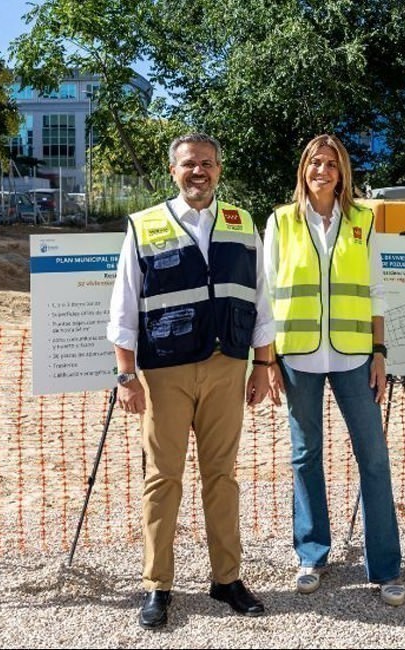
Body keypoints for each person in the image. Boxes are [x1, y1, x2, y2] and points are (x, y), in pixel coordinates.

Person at [107, 133, 275, 629]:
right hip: (165, 372)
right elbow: (123, 308)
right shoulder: (144, 226)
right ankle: (157, 585)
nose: (198, 172)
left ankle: (227, 579)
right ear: (172, 172)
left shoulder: (242, 224)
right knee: (163, 478)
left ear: (218, 169)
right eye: (188, 165)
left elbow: (261, 302)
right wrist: (126, 375)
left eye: (206, 163)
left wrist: (263, 367)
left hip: (228, 367)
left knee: (221, 477)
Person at [264, 134, 405, 606]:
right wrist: (266, 360)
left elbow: (377, 291)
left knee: (374, 458)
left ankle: (385, 566)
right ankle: (311, 555)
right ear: (304, 169)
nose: (322, 170)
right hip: (298, 356)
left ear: (342, 172)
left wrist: (380, 352)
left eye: (331, 164)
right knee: (305, 456)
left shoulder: (363, 220)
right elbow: (265, 296)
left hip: (354, 356)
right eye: (314, 163)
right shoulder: (281, 221)